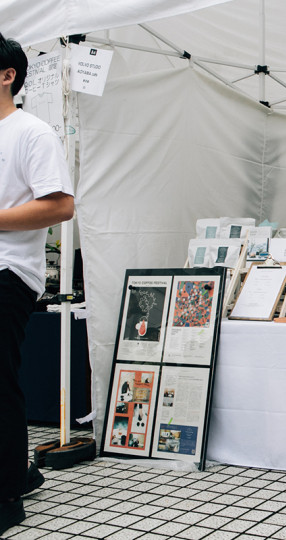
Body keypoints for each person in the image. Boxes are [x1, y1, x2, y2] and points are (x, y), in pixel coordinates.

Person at [0, 33, 75, 535]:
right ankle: (22, 473)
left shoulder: (32, 132)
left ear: (7, 75)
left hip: (7, 272)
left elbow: (60, 205)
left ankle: (5, 496)